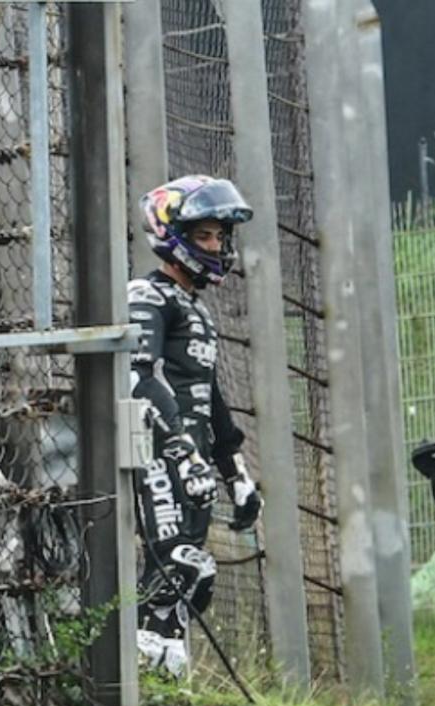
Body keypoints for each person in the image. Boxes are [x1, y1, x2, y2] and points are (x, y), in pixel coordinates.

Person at [128, 175, 265, 672]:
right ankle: (124, 670)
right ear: (173, 235)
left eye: (219, 237)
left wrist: (238, 477)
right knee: (181, 564)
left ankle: (162, 677)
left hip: (198, 459)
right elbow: (138, 376)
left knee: (193, 580)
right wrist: (181, 451)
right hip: (158, 452)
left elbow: (214, 401)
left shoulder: (197, 309)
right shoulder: (148, 294)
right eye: (204, 235)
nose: (216, 246)